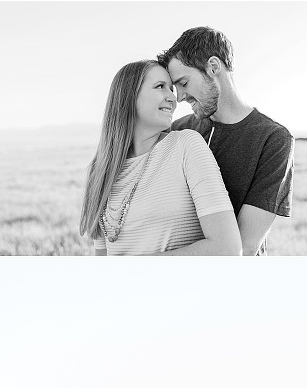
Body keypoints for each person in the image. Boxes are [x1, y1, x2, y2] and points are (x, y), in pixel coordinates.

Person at [79, 59, 241, 256]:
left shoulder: (186, 145)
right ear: (129, 96)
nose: (173, 98)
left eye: (171, 89)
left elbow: (228, 248)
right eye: (160, 87)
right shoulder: (100, 170)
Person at [160, 26, 294, 255]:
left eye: (184, 83)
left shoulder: (273, 139)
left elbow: (245, 246)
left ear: (213, 67)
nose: (179, 97)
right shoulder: (177, 130)